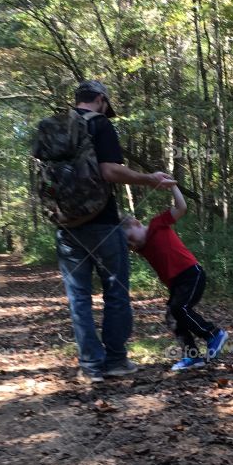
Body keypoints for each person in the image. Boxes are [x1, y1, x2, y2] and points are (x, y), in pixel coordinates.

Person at [56, 80, 175, 383]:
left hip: (66, 224)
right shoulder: (100, 126)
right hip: (103, 223)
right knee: (116, 292)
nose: (106, 111)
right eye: (106, 106)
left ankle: (91, 366)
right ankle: (116, 361)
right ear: (100, 99)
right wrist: (149, 179)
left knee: (79, 298)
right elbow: (110, 171)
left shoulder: (57, 126)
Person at [121, 184, 228, 371]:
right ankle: (192, 356)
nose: (132, 244)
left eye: (130, 237)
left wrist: (173, 186)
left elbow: (182, 208)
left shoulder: (157, 224)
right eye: (128, 245)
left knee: (180, 308)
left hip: (191, 274)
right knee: (173, 316)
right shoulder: (142, 248)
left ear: (137, 224)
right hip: (177, 284)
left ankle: (214, 334)